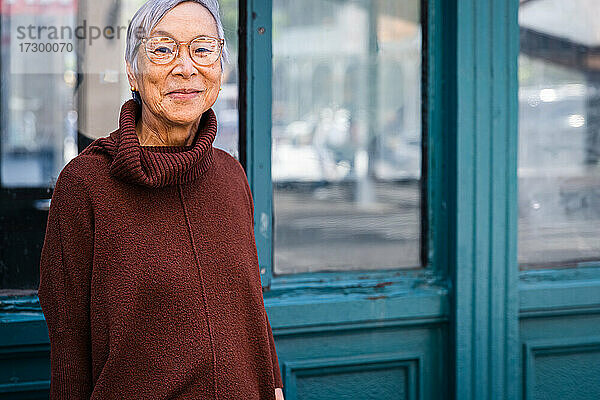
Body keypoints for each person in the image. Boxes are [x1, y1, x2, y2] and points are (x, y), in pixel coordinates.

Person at [38, 1, 285, 399]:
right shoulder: (86, 185)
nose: (186, 67)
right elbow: (68, 346)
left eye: (203, 49)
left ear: (220, 69)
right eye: (163, 49)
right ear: (133, 71)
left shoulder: (230, 176)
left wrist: (272, 385)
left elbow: (250, 308)